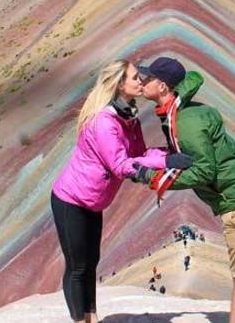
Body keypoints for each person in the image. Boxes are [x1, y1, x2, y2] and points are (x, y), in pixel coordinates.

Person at [50, 60, 193, 323]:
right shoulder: (105, 121)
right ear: (120, 84)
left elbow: (139, 155)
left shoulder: (127, 117)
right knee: (78, 266)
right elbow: (120, 165)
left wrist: (167, 155)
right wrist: (165, 163)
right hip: (71, 200)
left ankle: (91, 316)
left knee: (91, 261)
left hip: (93, 202)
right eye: (136, 78)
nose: (141, 81)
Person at [135, 57, 235, 323]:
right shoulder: (180, 114)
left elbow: (203, 170)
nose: (142, 82)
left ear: (163, 87)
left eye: (147, 78)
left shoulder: (184, 122)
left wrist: (155, 179)